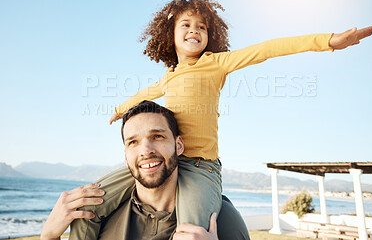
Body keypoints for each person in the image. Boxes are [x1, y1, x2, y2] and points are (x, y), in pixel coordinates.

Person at [82, 0, 372, 237]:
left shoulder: (216, 63)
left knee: (189, 233)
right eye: (185, 24)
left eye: (202, 27)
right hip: (164, 159)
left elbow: (266, 50)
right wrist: (120, 109)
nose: (194, 30)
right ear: (170, 35)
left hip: (199, 168)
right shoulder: (168, 77)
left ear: (211, 36)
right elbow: (145, 94)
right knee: (86, 202)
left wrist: (328, 41)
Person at [41, 101, 250, 240]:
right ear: (125, 156)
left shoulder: (220, 219)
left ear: (178, 146)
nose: (146, 151)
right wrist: (49, 236)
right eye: (133, 142)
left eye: (157, 137)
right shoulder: (99, 217)